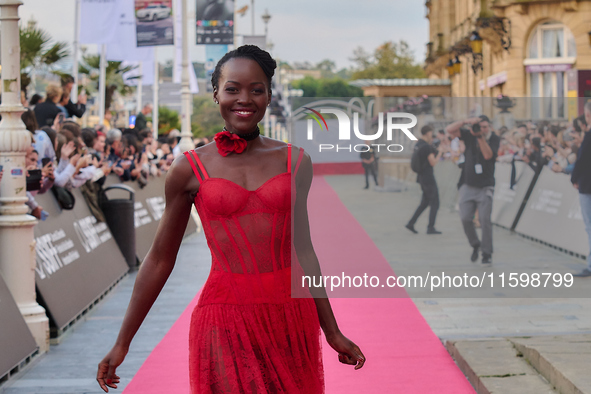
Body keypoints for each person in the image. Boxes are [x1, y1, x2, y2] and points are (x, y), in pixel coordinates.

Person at [96, 45, 365, 394]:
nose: (245, 99)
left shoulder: (296, 162)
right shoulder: (188, 168)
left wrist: (332, 331)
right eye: (233, 88)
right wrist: (123, 342)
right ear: (216, 94)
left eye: (257, 89)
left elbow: (304, 251)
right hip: (225, 321)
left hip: (291, 319)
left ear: (269, 96)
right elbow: (161, 259)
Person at [445, 115, 500, 264]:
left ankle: (487, 253)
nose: (481, 129)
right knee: (465, 218)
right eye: (479, 127)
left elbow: (488, 156)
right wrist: (465, 122)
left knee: (484, 220)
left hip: (485, 186)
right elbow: (450, 129)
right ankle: (475, 244)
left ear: (489, 127)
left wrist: (480, 138)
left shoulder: (493, 138)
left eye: (484, 127)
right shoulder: (469, 135)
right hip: (467, 184)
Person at [406, 125, 446, 234]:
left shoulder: (418, 144)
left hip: (421, 177)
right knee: (435, 202)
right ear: (428, 133)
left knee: (425, 202)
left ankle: (411, 223)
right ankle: (430, 227)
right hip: (428, 177)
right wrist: (440, 153)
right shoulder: (426, 147)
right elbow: (432, 162)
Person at [571, 101, 591, 277]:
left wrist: (574, 177)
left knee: (590, 227)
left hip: (587, 186)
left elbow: (582, 159)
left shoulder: (589, 136)